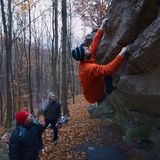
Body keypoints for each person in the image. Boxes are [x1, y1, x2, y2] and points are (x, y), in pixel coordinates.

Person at [71, 18, 128, 104]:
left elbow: (94, 44)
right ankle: (104, 97)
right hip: (95, 96)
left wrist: (102, 27)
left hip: (94, 87)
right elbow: (109, 69)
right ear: (84, 55)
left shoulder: (86, 58)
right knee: (107, 73)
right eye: (85, 49)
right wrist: (121, 53)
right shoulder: (89, 68)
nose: (87, 47)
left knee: (105, 74)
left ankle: (107, 90)